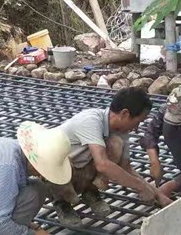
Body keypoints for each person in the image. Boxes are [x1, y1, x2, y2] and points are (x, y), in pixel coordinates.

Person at [52, 87, 172, 226]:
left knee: (115, 144)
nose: (137, 128)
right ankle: (62, 203)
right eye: (138, 121)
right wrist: (140, 187)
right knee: (99, 160)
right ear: (125, 114)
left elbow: (126, 168)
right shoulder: (90, 121)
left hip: (79, 170)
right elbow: (102, 164)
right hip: (55, 172)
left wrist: (158, 195)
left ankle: (90, 191)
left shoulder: (120, 131)